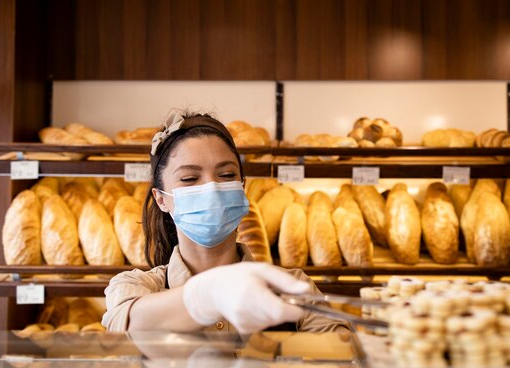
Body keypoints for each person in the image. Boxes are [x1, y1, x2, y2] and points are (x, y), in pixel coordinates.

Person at [102, 110, 348, 334]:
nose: (212, 188)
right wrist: (209, 295)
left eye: (227, 175)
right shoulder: (139, 285)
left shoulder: (292, 285)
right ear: (161, 199)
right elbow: (125, 325)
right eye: (189, 178)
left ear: (242, 187)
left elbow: (342, 354)